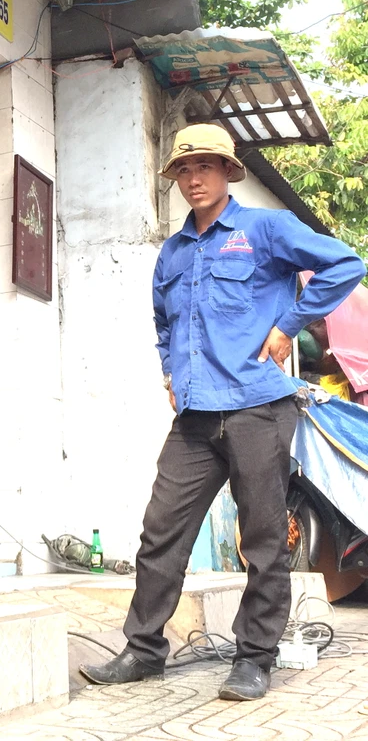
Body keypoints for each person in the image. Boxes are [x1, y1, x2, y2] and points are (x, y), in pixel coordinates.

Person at [80, 123, 366, 700]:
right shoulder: (173, 251)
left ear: (228, 170)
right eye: (183, 170)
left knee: (262, 538)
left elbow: (345, 264)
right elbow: (163, 321)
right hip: (193, 417)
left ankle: (255, 657)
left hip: (258, 406)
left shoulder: (266, 227)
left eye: (204, 166)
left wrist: (288, 327)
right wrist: (169, 371)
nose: (192, 179)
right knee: (160, 532)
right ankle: (143, 650)